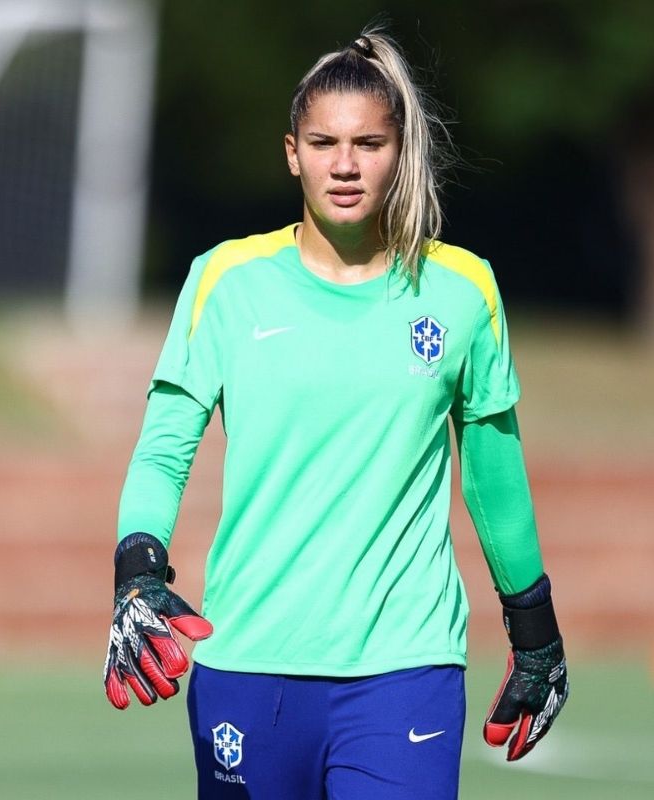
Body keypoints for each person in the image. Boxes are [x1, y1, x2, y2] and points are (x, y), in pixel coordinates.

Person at [102, 26, 569, 799]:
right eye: (323, 142)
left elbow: (493, 471)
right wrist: (136, 572)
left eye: (368, 143)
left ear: (400, 150)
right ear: (292, 151)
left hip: (405, 666)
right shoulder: (225, 280)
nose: (345, 165)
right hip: (247, 663)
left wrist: (536, 634)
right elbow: (163, 447)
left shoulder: (463, 290)